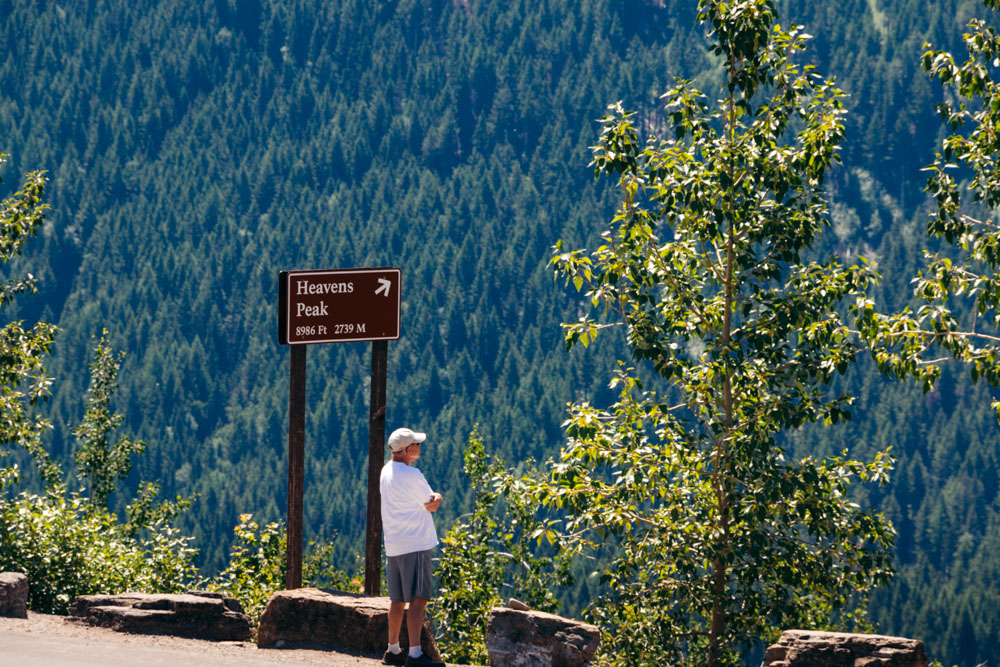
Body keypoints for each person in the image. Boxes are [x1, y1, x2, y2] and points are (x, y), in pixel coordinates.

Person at [379, 427, 444, 667]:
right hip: (415, 544)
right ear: (408, 450)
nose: (419, 446)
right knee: (418, 600)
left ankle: (393, 650)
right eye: (416, 443)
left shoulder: (386, 472)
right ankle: (415, 655)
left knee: (397, 601)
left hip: (394, 545)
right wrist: (438, 496)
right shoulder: (412, 474)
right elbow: (431, 504)